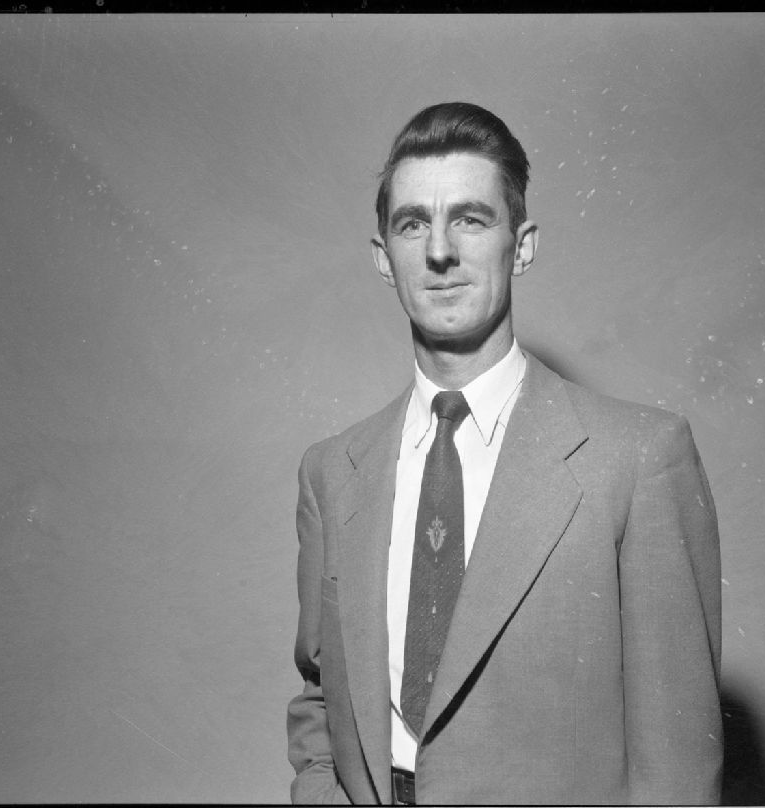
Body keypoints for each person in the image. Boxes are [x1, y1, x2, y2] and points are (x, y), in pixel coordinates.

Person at [286, 102, 722, 805]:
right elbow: (319, 691)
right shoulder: (332, 471)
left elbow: (677, 760)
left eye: (470, 219)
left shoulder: (640, 458)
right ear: (384, 258)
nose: (439, 251)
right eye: (412, 224)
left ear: (521, 246)